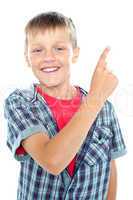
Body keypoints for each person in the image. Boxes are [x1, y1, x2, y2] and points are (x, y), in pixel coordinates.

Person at [4, 11, 126, 200]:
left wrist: (96, 99)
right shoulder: (20, 103)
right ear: (27, 58)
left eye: (59, 48)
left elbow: (109, 168)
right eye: (38, 50)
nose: (48, 57)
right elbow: (52, 161)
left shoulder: (104, 107)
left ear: (75, 54)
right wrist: (95, 98)